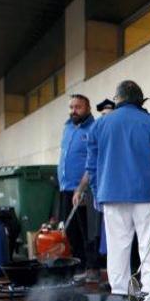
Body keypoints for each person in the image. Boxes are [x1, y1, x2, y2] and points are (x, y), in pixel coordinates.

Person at [86, 81, 150, 301]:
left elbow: (91, 165)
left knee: (117, 247)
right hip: (146, 194)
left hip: (111, 194)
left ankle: (120, 293)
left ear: (118, 99)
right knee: (149, 245)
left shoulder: (100, 125)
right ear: (140, 100)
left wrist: (96, 192)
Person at [57, 94, 101, 282]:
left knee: (87, 230)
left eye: (78, 107)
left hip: (84, 190)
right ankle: (80, 266)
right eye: (71, 107)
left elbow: (93, 161)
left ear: (88, 108)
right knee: (72, 230)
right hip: (66, 188)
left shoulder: (93, 128)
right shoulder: (67, 128)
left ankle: (92, 268)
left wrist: (81, 188)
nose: (74, 111)